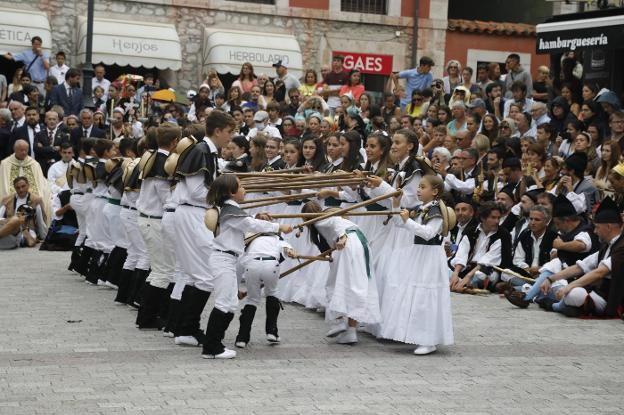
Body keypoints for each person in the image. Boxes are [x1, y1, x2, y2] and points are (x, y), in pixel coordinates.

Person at [202, 175, 292, 359]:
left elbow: (246, 221)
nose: (244, 189)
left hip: (228, 259)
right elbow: (249, 224)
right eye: (241, 187)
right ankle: (211, 347)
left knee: (231, 303)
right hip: (223, 259)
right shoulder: (230, 210)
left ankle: (214, 344)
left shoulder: (230, 209)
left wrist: (258, 218)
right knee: (223, 302)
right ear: (231, 192)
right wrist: (279, 227)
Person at [172, 111, 236, 347]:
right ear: (217, 131)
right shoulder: (201, 151)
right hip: (193, 213)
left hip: (195, 213)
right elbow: (195, 191)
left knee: (195, 275)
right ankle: (187, 328)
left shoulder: (206, 151)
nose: (230, 139)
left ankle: (185, 328)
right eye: (229, 133)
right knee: (205, 276)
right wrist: (224, 192)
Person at [378, 175, 453, 354]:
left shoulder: (436, 211)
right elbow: (399, 224)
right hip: (419, 255)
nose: (418, 190)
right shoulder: (421, 209)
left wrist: (407, 220)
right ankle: (416, 335)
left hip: (430, 257)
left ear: (434, 191)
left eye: (423, 187)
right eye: (418, 186)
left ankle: (429, 340)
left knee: (425, 295)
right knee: (414, 293)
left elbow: (428, 233)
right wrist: (396, 205)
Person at [301, 200, 381, 345]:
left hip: (348, 245)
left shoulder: (322, 220)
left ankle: (340, 322)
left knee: (333, 285)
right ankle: (351, 331)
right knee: (356, 286)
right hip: (360, 245)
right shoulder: (328, 217)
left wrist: (343, 237)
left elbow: (338, 226)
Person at [543, 197, 624, 317]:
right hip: (597, 293)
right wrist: (551, 279)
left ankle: (556, 305)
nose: (595, 232)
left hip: (613, 300)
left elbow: (599, 272)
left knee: (573, 293)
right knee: (564, 288)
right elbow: (579, 267)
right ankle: (565, 306)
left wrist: (569, 287)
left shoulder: (621, 246)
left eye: (597, 227)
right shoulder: (606, 246)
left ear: (608, 227)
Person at [136, 125, 180, 329]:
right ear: (173, 143)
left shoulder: (152, 156)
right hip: (154, 219)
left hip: (147, 217)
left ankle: (145, 314)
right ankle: (149, 317)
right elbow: (166, 198)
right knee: (164, 271)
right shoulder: (163, 162)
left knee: (158, 269)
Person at [234, 232, 296, 348]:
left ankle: (242, 338)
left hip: (251, 265)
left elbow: (239, 266)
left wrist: (236, 289)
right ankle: (272, 332)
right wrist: (290, 251)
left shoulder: (249, 240)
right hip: (270, 264)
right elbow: (286, 248)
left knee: (252, 300)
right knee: (272, 293)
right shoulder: (276, 237)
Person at [450, 201, 512, 291]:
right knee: (446, 269)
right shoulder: (470, 231)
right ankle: (460, 284)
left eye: (498, 218)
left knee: (481, 275)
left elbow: (488, 260)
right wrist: (455, 274)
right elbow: (461, 253)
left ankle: (465, 284)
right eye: (493, 218)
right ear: (483, 218)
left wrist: (468, 276)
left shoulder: (503, 235)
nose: (497, 221)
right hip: (468, 267)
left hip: (487, 268)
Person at [0, 140, 51, 221]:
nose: (24, 152)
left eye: (26, 150)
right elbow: (3, 184)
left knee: (47, 201)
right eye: (21, 150)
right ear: (15, 149)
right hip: (12, 197)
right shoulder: (5, 164)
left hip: (31, 198)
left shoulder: (34, 164)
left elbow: (40, 183)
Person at [0, 176, 48, 243]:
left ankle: (22, 238)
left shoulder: (36, 200)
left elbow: (41, 220)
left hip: (28, 228)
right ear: (15, 188)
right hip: (11, 226)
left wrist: (43, 236)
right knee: (15, 220)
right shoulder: (7, 200)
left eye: (23, 186)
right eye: (18, 188)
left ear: (28, 185)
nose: (21, 190)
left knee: (30, 237)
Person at [34, 110, 70, 175]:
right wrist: (53, 148)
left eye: (54, 119)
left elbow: (63, 151)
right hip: (42, 167)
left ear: (57, 120)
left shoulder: (64, 136)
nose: (52, 121)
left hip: (58, 167)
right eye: (49, 119)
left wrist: (44, 148)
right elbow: (37, 150)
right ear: (45, 120)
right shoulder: (39, 134)